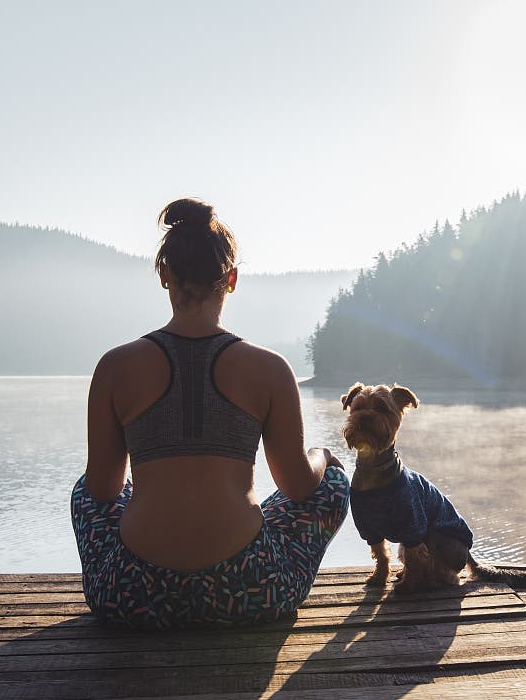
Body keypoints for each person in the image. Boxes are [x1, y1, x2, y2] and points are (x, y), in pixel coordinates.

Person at [70, 198, 349, 630]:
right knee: (330, 481)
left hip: (130, 594)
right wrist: (322, 455)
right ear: (231, 279)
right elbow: (296, 487)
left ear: (166, 275)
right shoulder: (270, 369)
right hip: (250, 591)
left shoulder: (115, 366)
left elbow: (103, 490)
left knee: (83, 492)